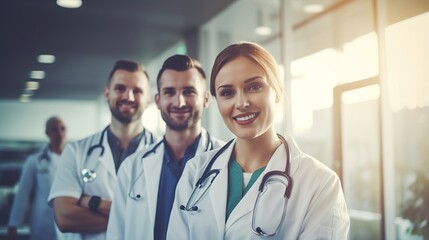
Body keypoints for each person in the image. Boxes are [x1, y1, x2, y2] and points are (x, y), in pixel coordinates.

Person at [167, 42, 350, 239]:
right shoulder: (196, 171)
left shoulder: (319, 182)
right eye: (227, 92)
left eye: (254, 87)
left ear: (278, 91)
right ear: (216, 101)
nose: (241, 103)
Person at [106, 54, 224, 240]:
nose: (179, 102)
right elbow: (116, 234)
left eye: (189, 91)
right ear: (158, 100)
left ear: (206, 99)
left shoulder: (229, 160)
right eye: (169, 92)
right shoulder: (132, 167)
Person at [48, 60, 157, 240]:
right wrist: (136, 217)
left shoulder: (165, 153)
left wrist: (91, 202)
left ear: (148, 99)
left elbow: (167, 215)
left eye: (137, 91)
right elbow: (64, 218)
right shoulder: (76, 151)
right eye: (120, 88)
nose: (128, 96)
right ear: (107, 93)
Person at [6, 116, 66, 240]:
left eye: (62, 129)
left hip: (69, 221)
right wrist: (13, 225)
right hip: (42, 221)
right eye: (54, 129)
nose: (59, 133)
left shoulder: (74, 160)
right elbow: (23, 194)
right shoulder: (34, 161)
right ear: (47, 133)